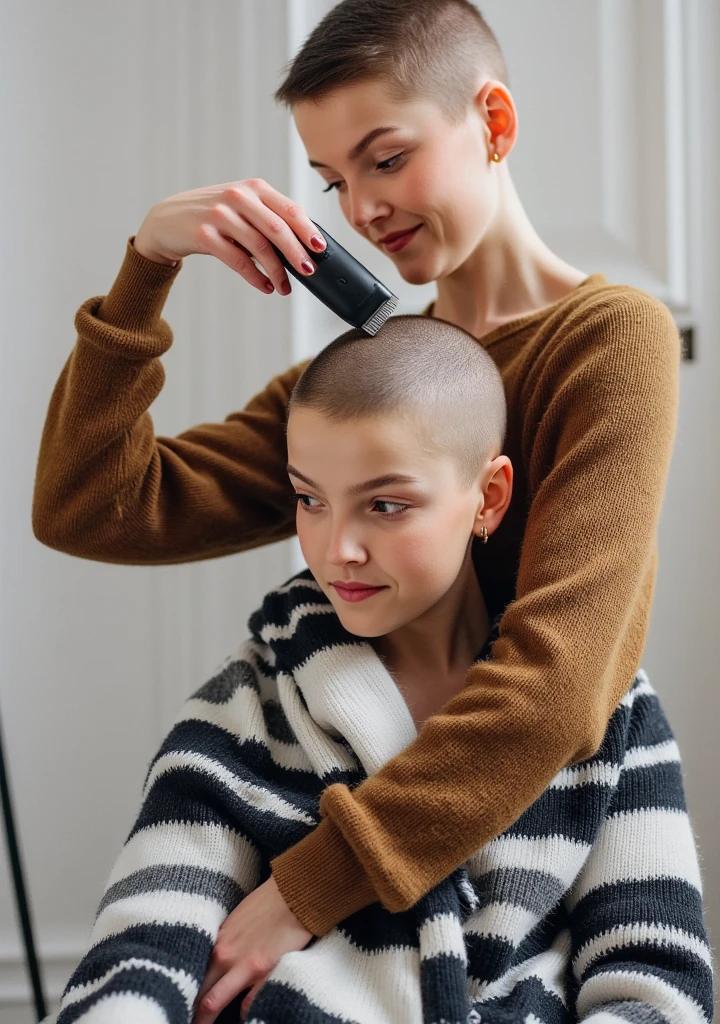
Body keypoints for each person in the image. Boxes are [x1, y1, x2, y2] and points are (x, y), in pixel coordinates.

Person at [32, 0, 684, 1014]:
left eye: (385, 159)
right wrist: (147, 266)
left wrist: (307, 888)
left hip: (532, 846)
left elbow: (562, 679)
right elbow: (93, 506)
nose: (361, 209)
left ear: (495, 123)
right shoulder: (374, 376)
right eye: (334, 181)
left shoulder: (610, 341)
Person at [50, 318, 712, 1024]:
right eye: (310, 500)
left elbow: (656, 989)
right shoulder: (248, 705)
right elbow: (139, 954)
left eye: (385, 505)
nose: (338, 549)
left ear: (487, 498)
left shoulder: (617, 720)